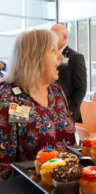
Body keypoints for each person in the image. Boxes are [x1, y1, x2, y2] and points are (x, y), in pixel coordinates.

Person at [0, 29, 76, 181]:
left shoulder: (56, 90)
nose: (61, 56)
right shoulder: (8, 97)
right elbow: (4, 166)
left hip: (67, 183)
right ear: (35, 56)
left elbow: (71, 145)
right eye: (53, 50)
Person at [51, 24, 87, 123]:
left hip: (66, 111)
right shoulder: (47, 56)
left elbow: (81, 88)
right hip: (50, 110)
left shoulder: (76, 57)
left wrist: (71, 112)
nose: (51, 38)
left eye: (55, 35)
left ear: (64, 37)